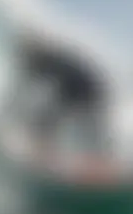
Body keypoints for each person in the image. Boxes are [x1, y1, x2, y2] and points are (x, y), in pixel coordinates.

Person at [13, 30, 112, 163]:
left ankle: (44, 152)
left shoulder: (44, 58)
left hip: (83, 89)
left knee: (48, 121)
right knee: (83, 126)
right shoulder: (47, 56)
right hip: (83, 88)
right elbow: (29, 85)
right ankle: (100, 155)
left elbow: (28, 84)